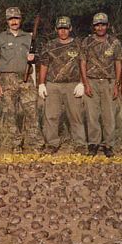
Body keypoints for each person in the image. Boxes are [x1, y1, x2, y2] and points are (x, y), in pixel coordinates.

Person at [0, 7, 43, 153]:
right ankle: (16, 144)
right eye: (11, 19)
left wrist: (34, 58)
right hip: (7, 79)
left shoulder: (29, 37)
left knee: (32, 112)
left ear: (21, 20)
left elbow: (37, 59)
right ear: (7, 21)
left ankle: (35, 144)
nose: (14, 21)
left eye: (16, 18)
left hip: (26, 80)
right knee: (10, 114)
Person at [39, 16, 86, 154]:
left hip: (73, 85)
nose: (63, 31)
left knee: (76, 116)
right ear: (56, 30)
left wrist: (82, 83)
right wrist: (42, 84)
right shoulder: (49, 45)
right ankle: (52, 143)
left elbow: (83, 64)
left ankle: (80, 143)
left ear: (70, 28)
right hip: (53, 85)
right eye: (60, 28)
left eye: (65, 28)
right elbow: (44, 65)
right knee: (51, 116)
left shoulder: (78, 44)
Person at [80, 13, 122, 157]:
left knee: (109, 115)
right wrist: (85, 83)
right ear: (93, 27)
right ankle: (93, 143)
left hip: (109, 82)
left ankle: (108, 144)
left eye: (103, 24)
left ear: (107, 25)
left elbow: (118, 62)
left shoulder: (115, 42)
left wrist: (117, 84)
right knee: (92, 114)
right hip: (91, 81)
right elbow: (83, 62)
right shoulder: (87, 42)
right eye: (97, 25)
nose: (100, 27)